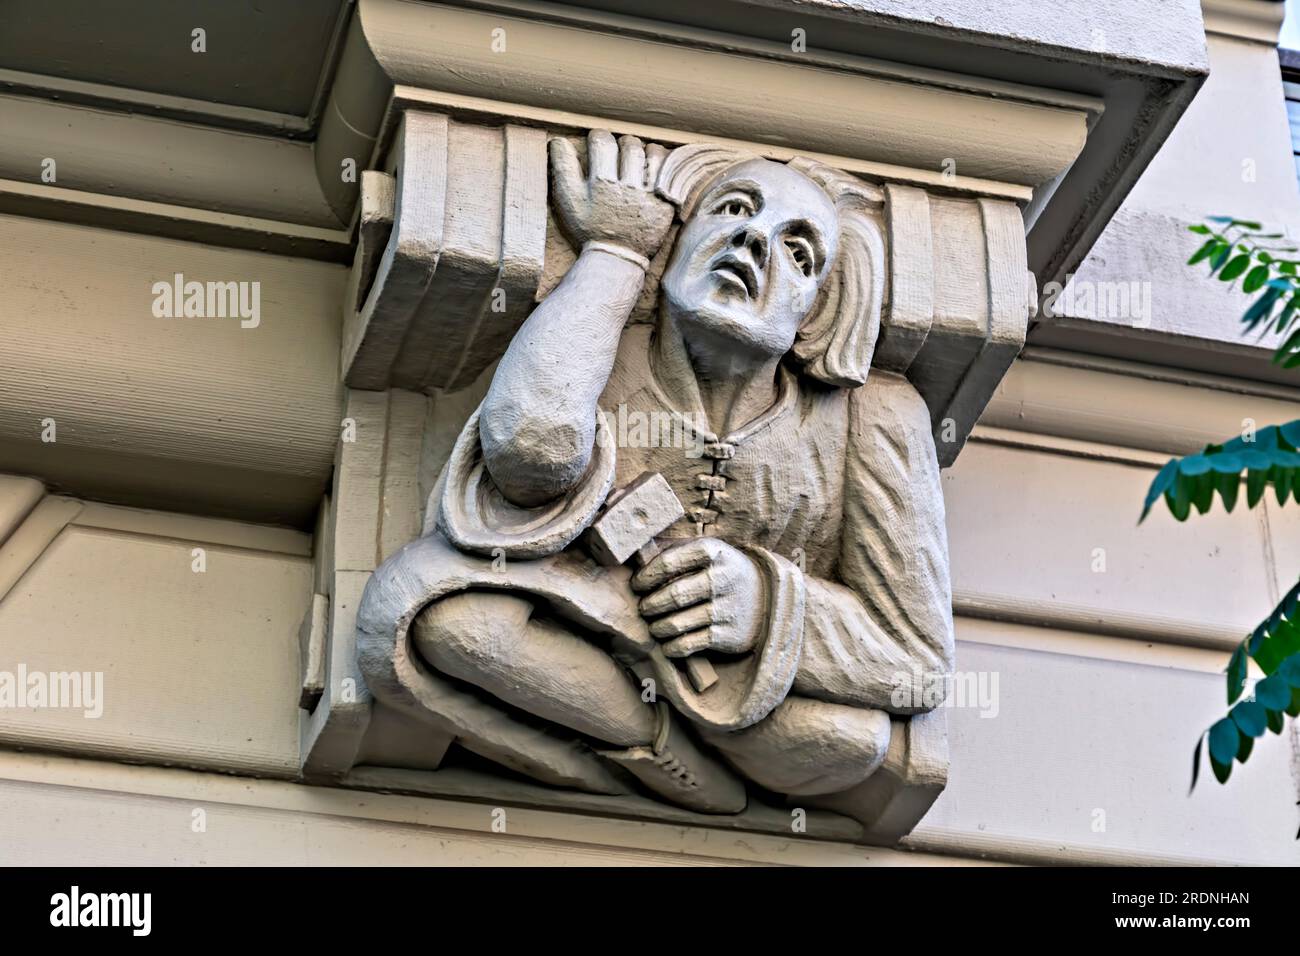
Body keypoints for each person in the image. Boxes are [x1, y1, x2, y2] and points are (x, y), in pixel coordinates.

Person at [357, 132, 954, 814]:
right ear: (675, 240)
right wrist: (615, 252)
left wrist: (763, 606)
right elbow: (529, 458)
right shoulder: (605, 341)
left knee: (847, 739)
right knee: (449, 622)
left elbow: (917, 660)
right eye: (732, 210)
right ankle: (656, 745)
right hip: (583, 619)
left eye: (798, 250)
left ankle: (657, 728)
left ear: (820, 311)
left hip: (738, 686)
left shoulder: (873, 416)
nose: (753, 241)